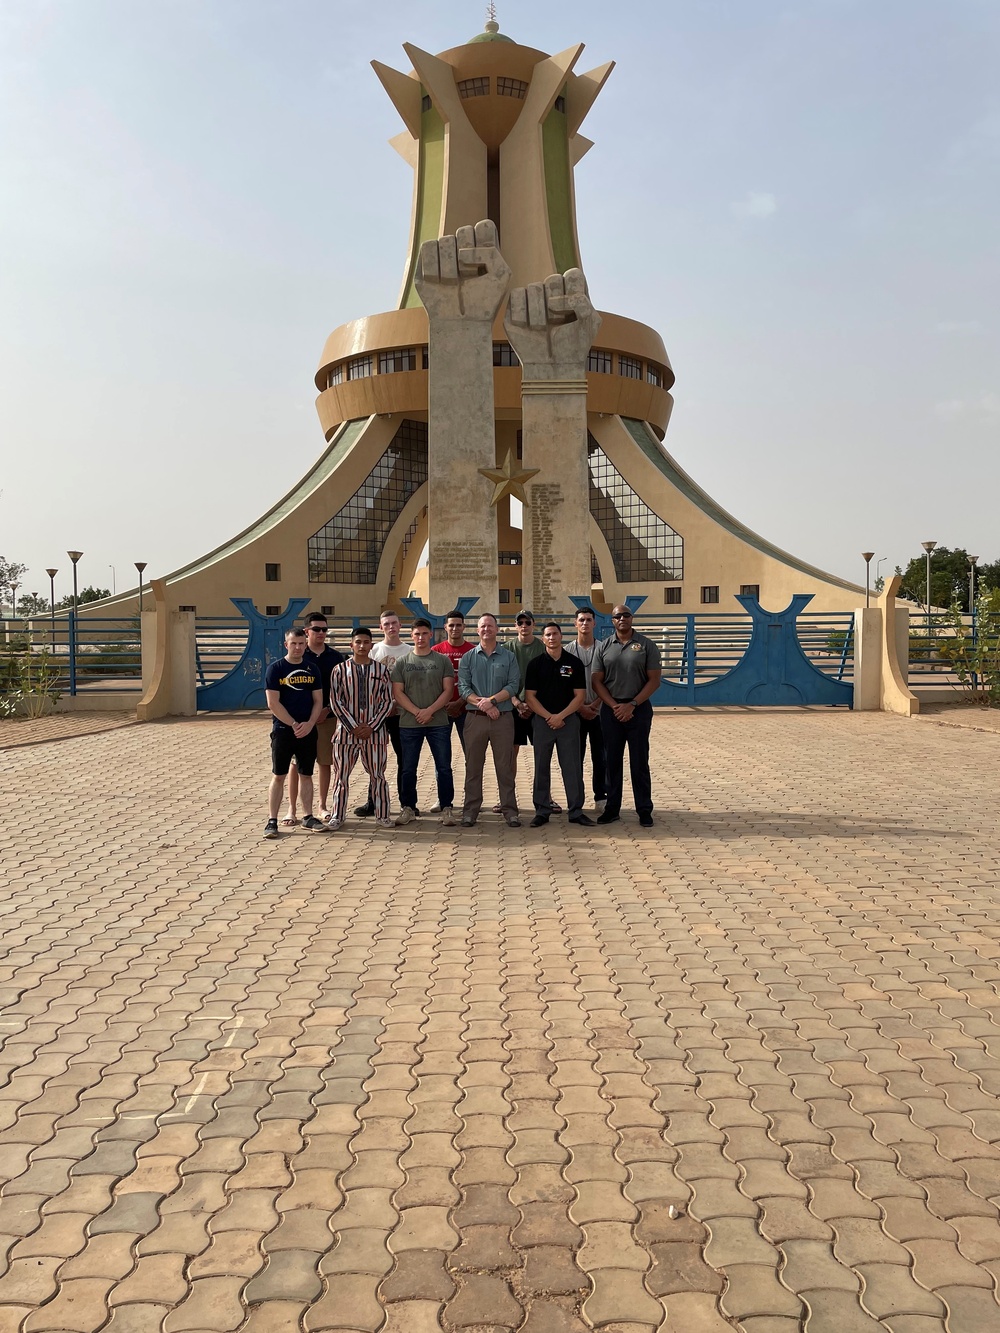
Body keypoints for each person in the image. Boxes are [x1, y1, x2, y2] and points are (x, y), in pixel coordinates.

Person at [591, 605, 662, 827]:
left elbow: (654, 680)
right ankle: (612, 809)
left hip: (638, 710)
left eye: (626, 615)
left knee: (639, 761)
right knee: (611, 761)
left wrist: (632, 704)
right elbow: (596, 681)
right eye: (617, 616)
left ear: (632, 618)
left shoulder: (646, 645)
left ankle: (644, 810)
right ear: (612, 621)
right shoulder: (604, 646)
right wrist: (614, 706)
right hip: (612, 711)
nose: (622, 619)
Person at [524, 623, 594, 828]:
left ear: (561, 636)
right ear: (543, 639)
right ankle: (542, 810)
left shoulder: (574, 663)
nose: (552, 637)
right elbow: (530, 697)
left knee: (572, 767)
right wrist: (549, 717)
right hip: (542, 721)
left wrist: (561, 716)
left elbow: (580, 696)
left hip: (569, 721)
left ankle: (576, 811)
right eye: (548, 634)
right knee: (541, 767)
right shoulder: (535, 664)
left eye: (555, 633)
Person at [326, 627, 395, 830]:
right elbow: (335, 701)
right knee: (341, 776)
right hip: (346, 735)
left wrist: (371, 726)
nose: (362, 646)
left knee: (378, 775)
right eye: (358, 642)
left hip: (375, 735)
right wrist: (354, 726)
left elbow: (387, 701)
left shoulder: (381, 670)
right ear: (351, 645)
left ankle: (383, 815)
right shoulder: (339, 670)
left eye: (366, 642)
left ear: (371, 645)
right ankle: (337, 815)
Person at [457, 613, 522, 827]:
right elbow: (464, 687)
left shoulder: (508, 656)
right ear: (477, 630)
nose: (486, 629)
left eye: (490, 626)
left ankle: (510, 811)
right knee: (473, 767)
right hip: (475, 719)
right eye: (482, 626)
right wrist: (481, 704)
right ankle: (470, 811)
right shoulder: (468, 657)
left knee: (505, 767)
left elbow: (513, 685)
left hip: (502, 719)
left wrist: (492, 701)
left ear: (496, 629)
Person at [391, 619, 457, 826]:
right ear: (411, 636)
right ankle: (408, 808)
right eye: (417, 634)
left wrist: (429, 711)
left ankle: (447, 808)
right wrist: (417, 712)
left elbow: (448, 691)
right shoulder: (402, 662)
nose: (420, 637)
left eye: (424, 633)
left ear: (431, 635)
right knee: (408, 768)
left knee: (444, 767)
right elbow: (397, 692)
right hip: (410, 724)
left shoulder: (442, 660)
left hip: (438, 722)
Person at [263, 628, 327, 838]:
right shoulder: (276, 669)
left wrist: (309, 723)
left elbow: (318, 701)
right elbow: (273, 703)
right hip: (283, 730)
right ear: (286, 645)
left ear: (305, 644)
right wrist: (293, 724)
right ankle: (272, 820)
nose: (298, 647)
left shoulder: (312, 669)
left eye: (301, 643)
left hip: (307, 731)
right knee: (279, 775)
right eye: (293, 644)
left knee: (306, 774)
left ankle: (308, 816)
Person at [283, 612, 344, 825]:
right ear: (306, 630)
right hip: (300, 721)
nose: (321, 633)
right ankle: (292, 809)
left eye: (324, 630)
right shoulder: (298, 654)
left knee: (325, 762)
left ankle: (322, 806)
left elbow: (340, 689)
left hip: (327, 718)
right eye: (316, 629)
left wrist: (327, 709)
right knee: (295, 765)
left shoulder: (336, 657)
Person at [356, 610, 410, 817]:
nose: (390, 627)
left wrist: (397, 703)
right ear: (381, 627)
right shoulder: (373, 651)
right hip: (376, 715)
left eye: (394, 623)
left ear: (400, 625)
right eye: (386, 623)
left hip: (401, 713)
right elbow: (364, 682)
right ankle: (373, 801)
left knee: (405, 759)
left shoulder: (409, 651)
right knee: (375, 760)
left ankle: (407, 803)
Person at [496, 610, 546, 813]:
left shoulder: (542, 648)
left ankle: (545, 797)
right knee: (510, 754)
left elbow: (545, 679)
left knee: (542, 754)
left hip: (537, 708)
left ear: (533, 624)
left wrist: (530, 703)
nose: (524, 626)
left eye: (527, 622)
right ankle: (507, 799)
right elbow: (504, 679)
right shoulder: (507, 649)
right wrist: (517, 701)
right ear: (515, 626)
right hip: (512, 708)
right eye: (520, 622)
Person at [565, 605, 607, 814]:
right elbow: (563, 684)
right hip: (575, 713)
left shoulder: (604, 648)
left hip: (600, 711)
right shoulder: (567, 651)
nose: (584, 623)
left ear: (594, 623)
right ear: (575, 623)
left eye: (588, 620)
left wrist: (596, 704)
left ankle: (601, 797)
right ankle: (576, 798)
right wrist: (580, 706)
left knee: (601, 756)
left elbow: (610, 681)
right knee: (575, 757)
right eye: (581, 620)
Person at [432, 609, 475, 756]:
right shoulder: (436, 651)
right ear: (445, 627)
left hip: (467, 709)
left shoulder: (473, 651)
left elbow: (476, 682)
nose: (455, 628)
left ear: (464, 627)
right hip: (442, 711)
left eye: (458, 625)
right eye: (451, 625)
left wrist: (459, 703)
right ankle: (443, 780)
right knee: (441, 756)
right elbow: (432, 682)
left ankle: (471, 780)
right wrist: (445, 704)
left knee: (471, 754)